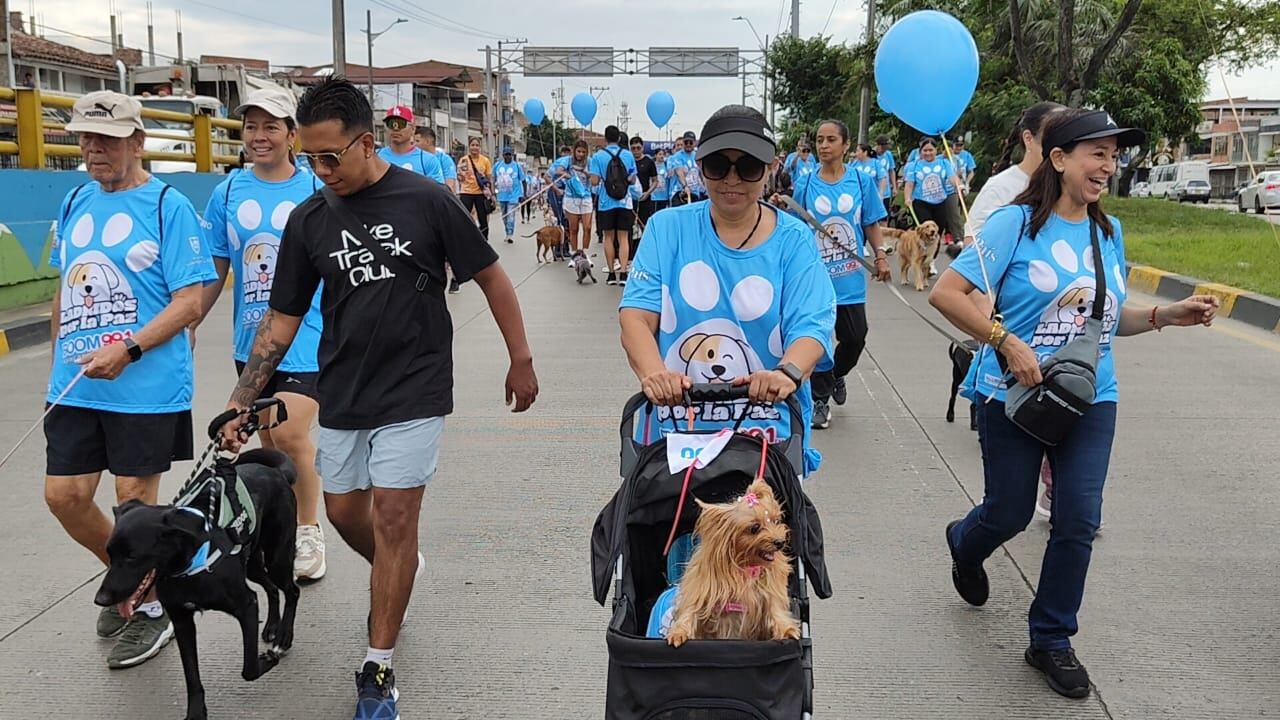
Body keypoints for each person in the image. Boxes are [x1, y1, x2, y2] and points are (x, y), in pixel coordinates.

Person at [216, 78, 539, 720]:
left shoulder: (426, 201)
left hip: (415, 387)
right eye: (311, 157)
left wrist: (521, 358)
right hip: (343, 387)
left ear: (366, 143)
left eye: (331, 156)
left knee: (393, 514)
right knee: (343, 512)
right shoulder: (309, 219)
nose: (321, 169)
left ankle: (377, 665)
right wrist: (239, 402)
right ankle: (401, 568)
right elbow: (280, 322)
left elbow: (492, 277)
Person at [929, 108, 1220, 700]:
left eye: (1114, 156)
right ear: (1059, 159)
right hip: (1012, 395)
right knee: (1008, 512)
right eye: (1097, 154)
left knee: (1078, 520)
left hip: (1090, 394)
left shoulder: (1106, 234)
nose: (1108, 167)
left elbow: (1104, 323)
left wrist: (1165, 315)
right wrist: (1005, 342)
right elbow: (947, 293)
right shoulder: (1014, 225)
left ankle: (1051, 638)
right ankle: (965, 542)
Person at [44, 91, 216, 668]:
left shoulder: (168, 207)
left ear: (137, 141)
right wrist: (56, 360)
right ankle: (137, 586)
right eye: (87, 139)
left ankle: (148, 606)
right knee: (63, 497)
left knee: (132, 506)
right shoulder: (73, 201)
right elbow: (64, 289)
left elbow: (190, 301)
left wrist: (131, 347)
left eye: (109, 140)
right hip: (76, 386)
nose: (95, 150)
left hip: (145, 386)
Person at [619, 104, 835, 477]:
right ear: (700, 166)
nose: (732, 179)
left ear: (770, 169)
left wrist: (785, 373)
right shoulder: (665, 229)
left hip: (766, 433)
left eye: (748, 166)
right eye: (718, 165)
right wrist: (656, 375)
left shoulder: (794, 240)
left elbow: (812, 326)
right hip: (676, 433)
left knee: (762, 534)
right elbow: (636, 315)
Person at [195, 86, 328, 583]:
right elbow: (214, 269)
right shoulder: (228, 192)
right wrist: (189, 322)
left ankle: (309, 531)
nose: (259, 136)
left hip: (309, 335)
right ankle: (283, 528)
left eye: (271, 126)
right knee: (270, 440)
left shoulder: (315, 190)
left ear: (293, 134)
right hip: (249, 344)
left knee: (291, 432)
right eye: (251, 126)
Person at [961, 101, 1066, 516]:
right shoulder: (1003, 190)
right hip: (1014, 328)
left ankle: (1064, 491)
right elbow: (976, 257)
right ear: (1029, 139)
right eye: (1053, 136)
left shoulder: (1072, 187)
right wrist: (991, 326)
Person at [786, 121, 891, 430]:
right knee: (816, 340)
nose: (824, 145)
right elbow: (793, 228)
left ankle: (836, 375)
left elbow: (871, 222)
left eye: (831, 139)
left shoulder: (860, 182)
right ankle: (820, 400)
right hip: (814, 281)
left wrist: (881, 256)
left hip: (850, 280)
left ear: (846, 145)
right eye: (820, 140)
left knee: (855, 337)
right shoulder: (805, 184)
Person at [901, 137, 964, 273]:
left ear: (936, 150)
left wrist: (959, 186)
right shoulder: (914, 166)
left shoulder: (944, 163)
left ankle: (931, 262)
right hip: (921, 202)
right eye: (925, 150)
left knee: (936, 234)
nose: (928, 153)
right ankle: (921, 260)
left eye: (931, 150)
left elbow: (952, 178)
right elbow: (909, 184)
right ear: (920, 151)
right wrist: (907, 198)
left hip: (940, 202)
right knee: (925, 234)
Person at [589, 126, 639, 286]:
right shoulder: (628, 155)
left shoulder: (598, 156)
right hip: (625, 201)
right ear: (618, 138)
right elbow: (632, 178)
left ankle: (611, 273)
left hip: (606, 203)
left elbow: (594, 182)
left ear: (605, 138)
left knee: (608, 237)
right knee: (624, 238)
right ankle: (623, 272)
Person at [556, 140, 594, 264]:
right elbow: (559, 171)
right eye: (579, 151)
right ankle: (574, 254)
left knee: (587, 227)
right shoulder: (568, 160)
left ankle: (585, 253)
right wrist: (569, 176)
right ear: (574, 151)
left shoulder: (589, 161)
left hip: (586, 197)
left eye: (583, 152)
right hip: (571, 197)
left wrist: (584, 172)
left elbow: (594, 177)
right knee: (573, 228)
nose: (581, 154)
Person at [375, 106, 441, 179]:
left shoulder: (428, 160)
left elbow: (438, 189)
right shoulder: (375, 156)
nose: (395, 128)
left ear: (413, 129)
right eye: (391, 124)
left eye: (401, 124)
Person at [457, 137, 494, 239]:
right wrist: (464, 176)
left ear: (480, 147)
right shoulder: (464, 160)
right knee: (464, 217)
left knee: (483, 219)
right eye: (472, 145)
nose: (475, 147)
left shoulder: (485, 160)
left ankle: (484, 240)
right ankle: (465, 238)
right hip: (466, 192)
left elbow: (489, 177)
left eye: (477, 145)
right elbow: (460, 177)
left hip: (481, 193)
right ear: (469, 147)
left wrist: (492, 193)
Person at [492, 147, 526, 244]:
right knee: (504, 216)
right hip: (502, 195)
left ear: (512, 155)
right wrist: (493, 192)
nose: (508, 156)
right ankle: (507, 231)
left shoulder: (517, 166)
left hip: (514, 195)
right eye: (506, 154)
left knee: (511, 215)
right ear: (503, 155)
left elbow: (523, 180)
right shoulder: (497, 165)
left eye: (509, 154)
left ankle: (510, 234)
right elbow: (492, 178)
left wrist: (524, 194)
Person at [630, 135, 659, 245]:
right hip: (630, 199)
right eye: (633, 148)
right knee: (631, 227)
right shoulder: (628, 161)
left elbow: (655, 181)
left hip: (645, 198)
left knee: (644, 225)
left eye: (638, 148)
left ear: (642, 148)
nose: (636, 151)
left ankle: (645, 247)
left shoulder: (649, 162)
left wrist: (648, 192)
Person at [413, 126, 458, 192]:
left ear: (428, 142)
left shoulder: (444, 159)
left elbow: (450, 186)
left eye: (417, 141)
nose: (414, 144)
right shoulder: (416, 158)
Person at [668, 130, 706, 206]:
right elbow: (679, 172)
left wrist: (706, 186)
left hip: (695, 193)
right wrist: (685, 186)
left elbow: (701, 173)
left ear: (694, 143)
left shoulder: (697, 156)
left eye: (691, 142)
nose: (688, 144)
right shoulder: (677, 156)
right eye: (686, 142)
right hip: (679, 193)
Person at [875, 134, 898, 218]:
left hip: (886, 191)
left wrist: (894, 187)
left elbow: (891, 170)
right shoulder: (872, 155)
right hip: (874, 189)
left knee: (885, 216)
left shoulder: (888, 154)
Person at [651, 147, 671, 214]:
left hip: (664, 196)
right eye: (659, 154)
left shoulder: (666, 165)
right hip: (654, 196)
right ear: (655, 155)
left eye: (663, 154)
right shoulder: (652, 165)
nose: (661, 156)